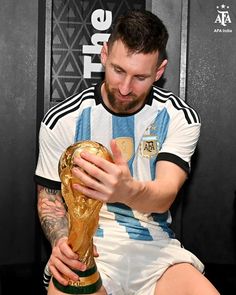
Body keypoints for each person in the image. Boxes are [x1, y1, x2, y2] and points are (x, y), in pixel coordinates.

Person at [35, 9, 220, 295]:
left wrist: (126, 190)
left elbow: (165, 194)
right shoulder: (63, 120)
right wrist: (61, 241)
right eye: (118, 70)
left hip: (156, 251)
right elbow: (49, 199)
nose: (124, 87)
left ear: (159, 71)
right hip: (88, 247)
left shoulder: (178, 117)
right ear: (105, 54)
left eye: (140, 77)